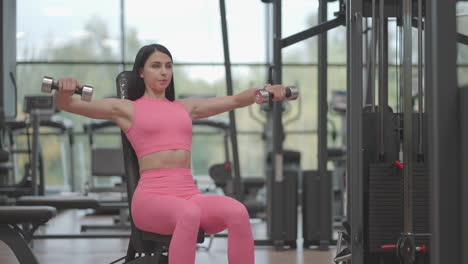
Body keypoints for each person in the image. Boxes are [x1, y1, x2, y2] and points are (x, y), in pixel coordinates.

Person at [54, 43, 288, 264]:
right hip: (151, 198)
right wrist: (64, 91)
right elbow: (71, 105)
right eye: (156, 66)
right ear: (141, 72)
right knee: (188, 213)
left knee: (237, 211)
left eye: (168, 66)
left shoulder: (185, 107)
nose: (164, 72)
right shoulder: (126, 108)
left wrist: (264, 91)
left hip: (188, 193)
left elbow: (235, 100)